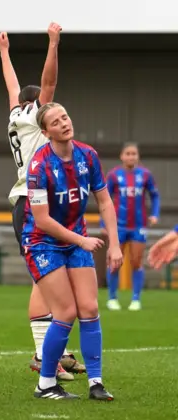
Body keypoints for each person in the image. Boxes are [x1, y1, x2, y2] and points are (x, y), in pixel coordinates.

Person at [0, 22, 85, 381]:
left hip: (28, 201)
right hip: (33, 202)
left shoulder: (16, 116)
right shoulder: (35, 115)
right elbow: (47, 84)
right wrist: (53, 43)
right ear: (37, 107)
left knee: (51, 276)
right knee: (44, 278)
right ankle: (41, 354)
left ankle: (57, 351)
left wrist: (4, 53)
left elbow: (12, 88)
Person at [24, 102, 123, 400]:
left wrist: (115, 245)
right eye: (56, 122)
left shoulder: (87, 155)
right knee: (65, 311)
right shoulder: (39, 166)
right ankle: (45, 384)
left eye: (65, 117)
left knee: (90, 309)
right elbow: (41, 219)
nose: (64, 123)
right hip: (42, 242)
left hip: (76, 238)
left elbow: (104, 202)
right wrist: (82, 241)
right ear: (46, 132)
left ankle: (96, 383)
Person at [102, 143, 160, 311]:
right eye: (128, 153)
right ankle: (112, 298)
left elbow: (155, 196)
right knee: (114, 262)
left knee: (136, 262)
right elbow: (104, 199)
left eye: (134, 154)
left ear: (138, 156)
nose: (131, 156)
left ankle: (136, 299)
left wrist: (154, 214)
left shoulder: (145, 175)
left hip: (138, 225)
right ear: (122, 156)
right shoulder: (114, 175)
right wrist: (103, 223)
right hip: (118, 226)